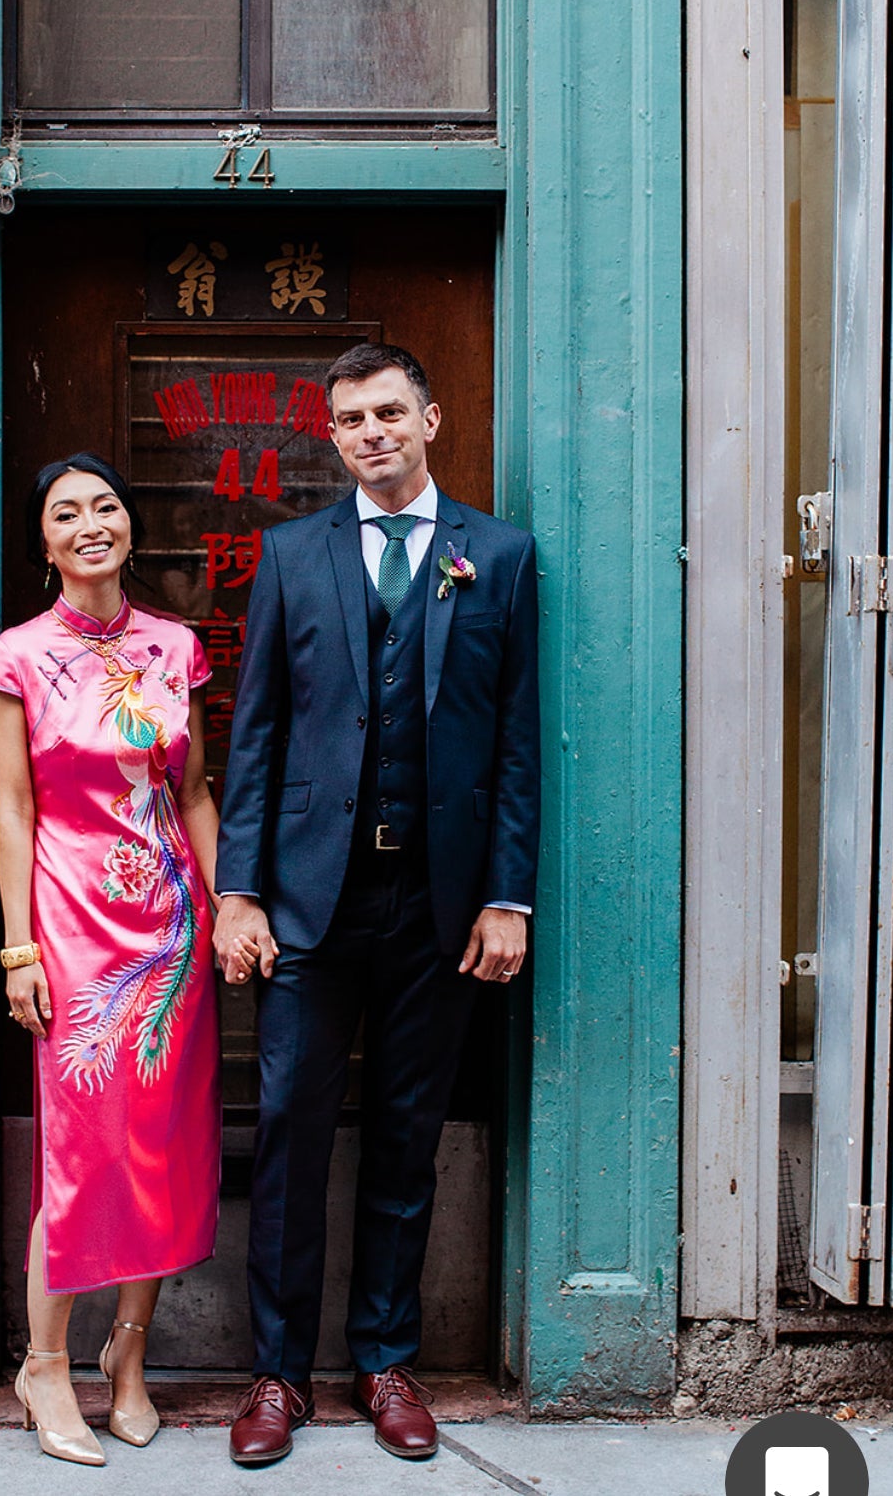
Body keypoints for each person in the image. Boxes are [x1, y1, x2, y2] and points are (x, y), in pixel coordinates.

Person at [213, 344, 540, 1467]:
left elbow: (513, 743)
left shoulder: (496, 555)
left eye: (390, 410)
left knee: (406, 1137)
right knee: (293, 1135)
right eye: (350, 418)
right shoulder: (293, 552)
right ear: (335, 435)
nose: (371, 432)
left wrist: (506, 897)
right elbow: (252, 735)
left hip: (439, 905)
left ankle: (387, 1359)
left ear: (431, 418)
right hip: (310, 899)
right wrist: (238, 889)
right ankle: (277, 1374)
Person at [0, 454, 248, 1464]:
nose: (91, 523)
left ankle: (127, 1356)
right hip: (74, 924)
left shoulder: (176, 647)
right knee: (81, 1148)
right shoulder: (16, 656)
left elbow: (194, 795)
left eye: (105, 507)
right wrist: (19, 949)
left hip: (172, 927)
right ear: (44, 541)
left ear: (128, 528)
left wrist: (227, 908)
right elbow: (14, 811)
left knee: (164, 1146)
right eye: (67, 512)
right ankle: (45, 1361)